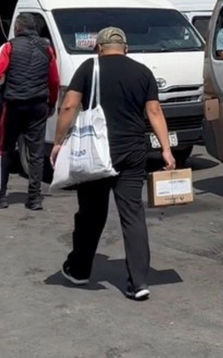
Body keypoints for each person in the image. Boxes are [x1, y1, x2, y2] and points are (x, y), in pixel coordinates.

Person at [52, 27, 173, 301]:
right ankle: (138, 282)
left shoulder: (89, 68)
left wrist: (58, 142)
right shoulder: (143, 72)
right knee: (133, 214)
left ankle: (80, 269)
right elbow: (154, 111)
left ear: (99, 48)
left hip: (96, 152)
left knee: (91, 214)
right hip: (133, 152)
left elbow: (69, 106)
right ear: (126, 48)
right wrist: (166, 149)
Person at [0, 14, 60, 210]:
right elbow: (54, 81)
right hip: (38, 104)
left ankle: (0, 196)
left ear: (17, 28)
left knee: (4, 149)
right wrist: (51, 103)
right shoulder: (47, 48)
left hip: (14, 104)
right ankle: (34, 198)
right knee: (36, 152)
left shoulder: (9, 46)